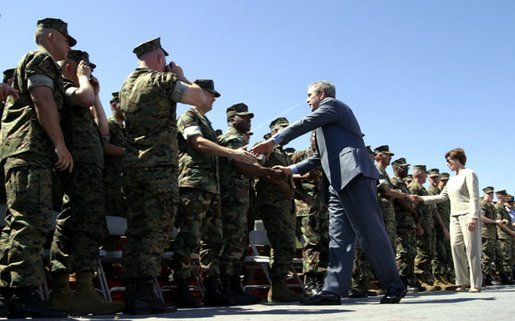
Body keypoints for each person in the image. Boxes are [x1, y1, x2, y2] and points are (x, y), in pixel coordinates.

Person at [252, 80, 405, 304]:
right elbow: (318, 158)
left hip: (353, 174)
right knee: (338, 238)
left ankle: (394, 285)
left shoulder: (333, 106)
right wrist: (289, 169)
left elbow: (304, 122)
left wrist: (274, 141)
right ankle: (333, 290)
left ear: (321, 94)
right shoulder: (326, 125)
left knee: (370, 232)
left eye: (309, 95)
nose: (306, 100)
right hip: (336, 182)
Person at [119, 37, 208, 315]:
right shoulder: (161, 81)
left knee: (136, 230)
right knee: (156, 231)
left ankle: (134, 293)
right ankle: (145, 293)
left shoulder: (125, 86)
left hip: (133, 167)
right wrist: (181, 76)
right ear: (159, 59)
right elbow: (200, 99)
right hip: (159, 168)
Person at [0, 18, 75, 319]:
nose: (70, 47)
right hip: (30, 150)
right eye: (68, 40)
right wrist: (60, 144)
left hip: (24, 151)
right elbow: (42, 100)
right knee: (29, 222)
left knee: (19, 223)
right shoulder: (39, 58)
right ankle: (24, 293)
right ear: (53, 37)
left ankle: (9, 292)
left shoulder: (41, 62)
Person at [47, 50, 124, 315]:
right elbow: (84, 96)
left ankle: (81, 290)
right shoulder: (66, 89)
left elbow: (103, 129)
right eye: (85, 67)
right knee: (77, 223)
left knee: (86, 223)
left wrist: (98, 95)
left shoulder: (85, 94)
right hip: (77, 166)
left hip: (91, 168)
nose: (89, 71)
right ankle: (67, 289)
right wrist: (83, 80)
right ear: (70, 66)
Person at [172, 80, 255, 308]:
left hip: (211, 187)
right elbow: (197, 143)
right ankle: (182, 286)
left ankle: (212, 288)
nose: (214, 99)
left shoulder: (205, 121)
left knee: (214, 240)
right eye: (210, 94)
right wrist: (232, 152)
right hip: (194, 184)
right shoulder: (188, 117)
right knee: (189, 237)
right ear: (197, 94)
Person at [411, 148, 482, 292]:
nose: (447, 164)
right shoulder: (452, 180)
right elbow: (441, 197)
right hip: (454, 217)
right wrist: (421, 199)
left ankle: (476, 283)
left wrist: (474, 216)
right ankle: (462, 281)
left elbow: (474, 196)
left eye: (449, 161)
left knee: (472, 249)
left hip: (468, 215)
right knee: (456, 247)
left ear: (457, 160)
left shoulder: (469, 173)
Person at [254, 117, 302, 303]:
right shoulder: (265, 146)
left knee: (287, 244)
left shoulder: (282, 151)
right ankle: (278, 286)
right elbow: (257, 167)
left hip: (284, 205)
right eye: (283, 129)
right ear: (274, 131)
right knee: (282, 243)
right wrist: (280, 184)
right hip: (272, 203)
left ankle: (279, 286)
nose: (286, 132)